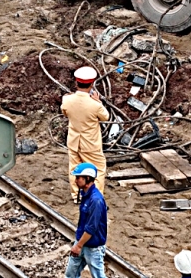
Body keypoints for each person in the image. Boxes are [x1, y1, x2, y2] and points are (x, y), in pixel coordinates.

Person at [62, 67, 109, 199]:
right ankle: (94, 197)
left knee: (75, 168)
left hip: (73, 141)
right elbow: (105, 117)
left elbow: (64, 112)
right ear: (92, 84)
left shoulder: (67, 100)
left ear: (76, 83)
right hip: (90, 144)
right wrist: (98, 101)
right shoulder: (95, 105)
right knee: (98, 169)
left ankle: (77, 195)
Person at [66, 162, 108, 278]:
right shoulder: (85, 194)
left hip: (93, 247)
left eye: (78, 177)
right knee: (70, 274)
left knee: (98, 276)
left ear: (87, 178)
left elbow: (91, 227)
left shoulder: (96, 200)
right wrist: (79, 244)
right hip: (82, 241)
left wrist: (78, 246)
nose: (75, 180)